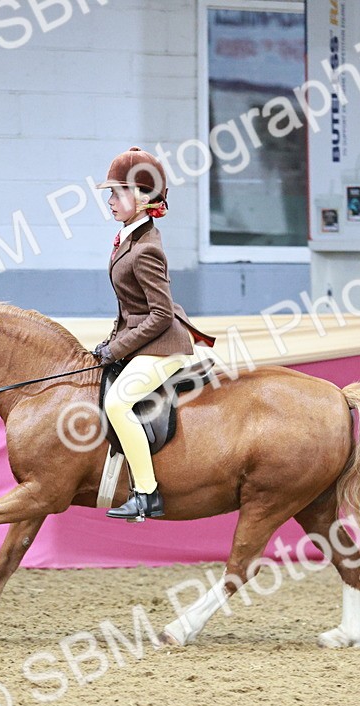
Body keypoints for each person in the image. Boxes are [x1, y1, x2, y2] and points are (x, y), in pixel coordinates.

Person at [92, 146, 215, 521]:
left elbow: (160, 314)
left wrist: (117, 349)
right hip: (144, 341)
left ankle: (146, 494)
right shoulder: (129, 238)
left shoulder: (146, 249)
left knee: (117, 403)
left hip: (163, 347)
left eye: (118, 194)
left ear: (143, 198)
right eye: (111, 194)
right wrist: (109, 342)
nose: (110, 202)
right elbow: (130, 308)